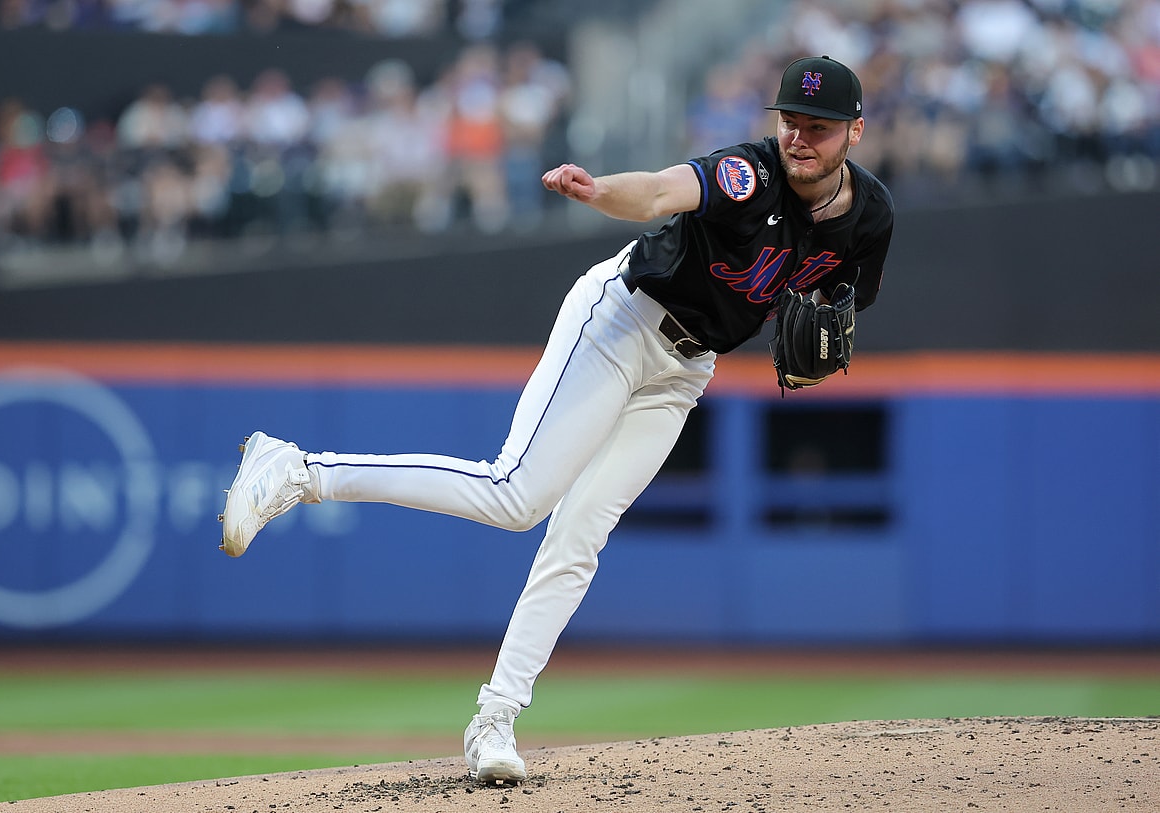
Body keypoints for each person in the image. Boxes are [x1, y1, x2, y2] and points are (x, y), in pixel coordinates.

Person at [218, 55, 894, 784]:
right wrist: (601, 190)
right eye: (790, 120)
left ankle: (493, 721)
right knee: (516, 495)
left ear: (854, 131)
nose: (799, 136)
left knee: (581, 533)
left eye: (818, 127)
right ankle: (299, 469)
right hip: (621, 321)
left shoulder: (871, 217)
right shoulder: (749, 174)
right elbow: (663, 191)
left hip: (685, 370)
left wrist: (818, 349)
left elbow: (836, 310)